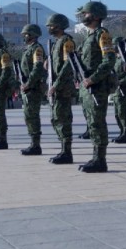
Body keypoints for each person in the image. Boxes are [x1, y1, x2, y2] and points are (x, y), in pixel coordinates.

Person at [75, 1, 116, 173]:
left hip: (97, 87)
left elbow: (109, 60)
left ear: (97, 16)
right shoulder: (89, 37)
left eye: (87, 13)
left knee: (98, 123)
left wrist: (93, 78)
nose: (84, 16)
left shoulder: (102, 34)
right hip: (88, 87)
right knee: (92, 123)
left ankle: (100, 159)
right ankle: (95, 157)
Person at [46, 14, 76, 164]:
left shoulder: (66, 41)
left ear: (59, 26)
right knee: (56, 119)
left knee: (63, 119)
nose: (49, 28)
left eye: (51, 26)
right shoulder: (57, 43)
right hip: (56, 86)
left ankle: (67, 152)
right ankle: (63, 149)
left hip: (63, 88)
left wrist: (56, 85)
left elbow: (67, 65)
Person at [19, 24, 47, 156]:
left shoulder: (37, 49)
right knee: (29, 116)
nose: (24, 37)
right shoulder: (29, 49)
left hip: (33, 88)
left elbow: (37, 68)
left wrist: (29, 83)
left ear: (31, 35)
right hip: (28, 87)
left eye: (25, 34)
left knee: (32, 116)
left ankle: (36, 145)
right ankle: (33, 143)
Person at [111, 36, 126, 144]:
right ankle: (121, 132)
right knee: (117, 113)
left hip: (123, 89)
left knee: (123, 112)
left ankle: (125, 133)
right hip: (116, 90)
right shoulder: (116, 59)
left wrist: (121, 82)